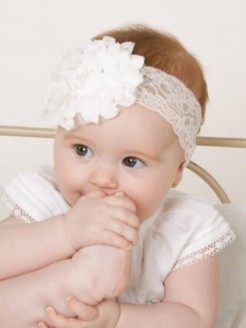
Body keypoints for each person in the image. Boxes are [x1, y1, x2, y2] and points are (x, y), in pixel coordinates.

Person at [0, 24, 235, 328]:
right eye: (83, 150)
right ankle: (71, 281)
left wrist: (117, 318)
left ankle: (77, 282)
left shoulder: (185, 226)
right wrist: (66, 232)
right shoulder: (49, 198)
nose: (102, 179)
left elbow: (194, 317)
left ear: (177, 171)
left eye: (131, 161)